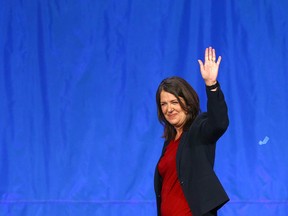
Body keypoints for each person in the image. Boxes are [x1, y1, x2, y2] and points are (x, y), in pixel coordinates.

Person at [154, 47, 229, 216]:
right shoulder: (170, 142)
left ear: (187, 102)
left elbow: (218, 123)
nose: (169, 109)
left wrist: (212, 85)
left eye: (174, 102)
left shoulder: (198, 130)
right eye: (163, 104)